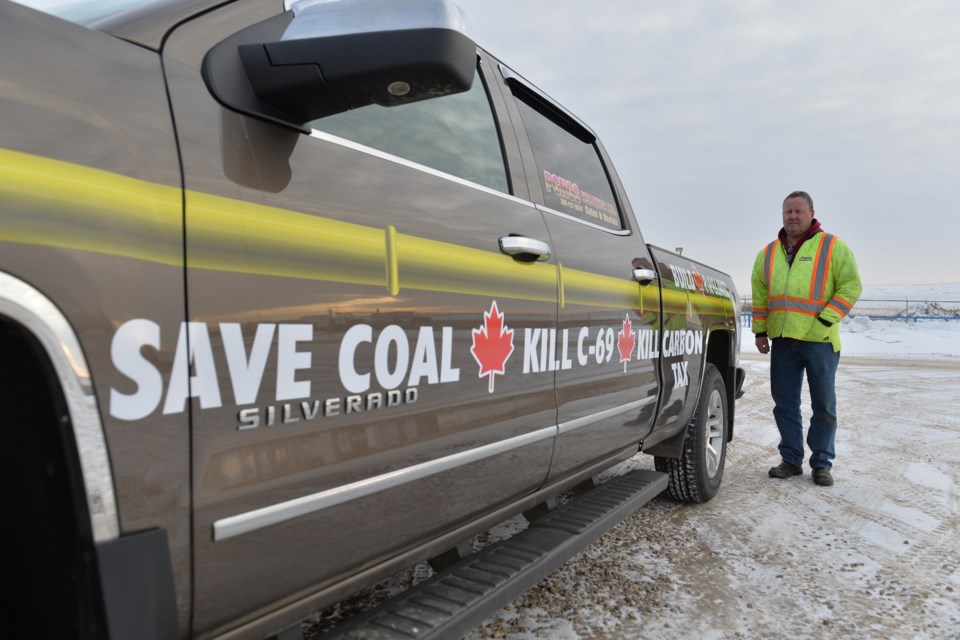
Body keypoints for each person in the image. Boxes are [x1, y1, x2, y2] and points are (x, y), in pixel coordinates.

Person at [751, 191, 861, 486]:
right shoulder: (768, 253)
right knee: (784, 403)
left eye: (799, 211)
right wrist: (760, 331)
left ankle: (822, 463)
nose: (793, 216)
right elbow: (761, 297)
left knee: (823, 405)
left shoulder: (833, 247)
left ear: (812, 214)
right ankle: (791, 459)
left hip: (820, 341)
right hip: (783, 342)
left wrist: (827, 317)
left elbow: (851, 285)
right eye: (788, 211)